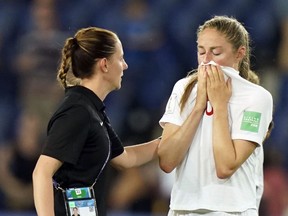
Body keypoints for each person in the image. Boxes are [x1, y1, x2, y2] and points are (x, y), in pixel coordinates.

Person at [32, 26, 160, 216]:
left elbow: (126, 159)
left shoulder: (93, 110)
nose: (125, 65)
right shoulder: (77, 111)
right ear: (104, 64)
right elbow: (41, 173)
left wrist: (170, 140)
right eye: (121, 58)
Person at [157, 15, 273, 216]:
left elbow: (225, 166)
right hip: (181, 208)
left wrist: (219, 106)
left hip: (231, 210)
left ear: (239, 53)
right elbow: (167, 161)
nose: (206, 61)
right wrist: (199, 106)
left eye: (216, 52)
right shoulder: (183, 88)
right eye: (201, 52)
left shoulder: (256, 97)